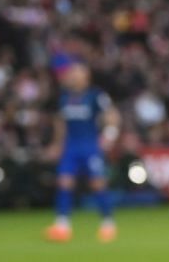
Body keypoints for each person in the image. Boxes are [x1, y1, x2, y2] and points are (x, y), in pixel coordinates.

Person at [44, 55, 119, 243]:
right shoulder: (64, 97)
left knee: (97, 184)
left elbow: (111, 115)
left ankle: (108, 223)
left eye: (77, 72)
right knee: (64, 182)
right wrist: (57, 144)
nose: (73, 75)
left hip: (90, 145)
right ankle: (62, 225)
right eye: (72, 72)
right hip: (71, 146)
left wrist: (109, 135)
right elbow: (60, 122)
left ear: (86, 75)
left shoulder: (95, 96)